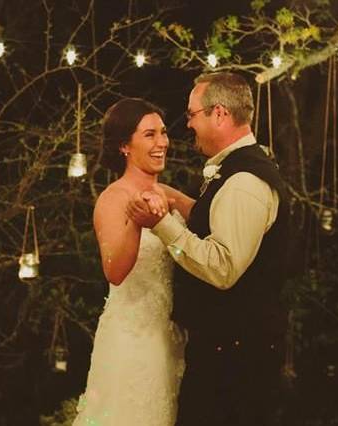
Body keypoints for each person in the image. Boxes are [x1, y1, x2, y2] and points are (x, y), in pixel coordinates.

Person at [127, 71, 290, 425]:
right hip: (227, 353)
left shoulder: (245, 181)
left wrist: (160, 225)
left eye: (192, 114)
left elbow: (222, 268)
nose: (188, 125)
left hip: (235, 363)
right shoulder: (235, 173)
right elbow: (218, 219)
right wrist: (178, 201)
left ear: (219, 114)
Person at [72, 98, 186, 426]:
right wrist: (137, 220)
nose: (162, 142)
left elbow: (209, 219)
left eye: (163, 133)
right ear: (124, 145)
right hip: (132, 341)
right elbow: (114, 271)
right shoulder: (112, 199)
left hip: (170, 340)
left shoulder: (167, 193)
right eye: (150, 135)